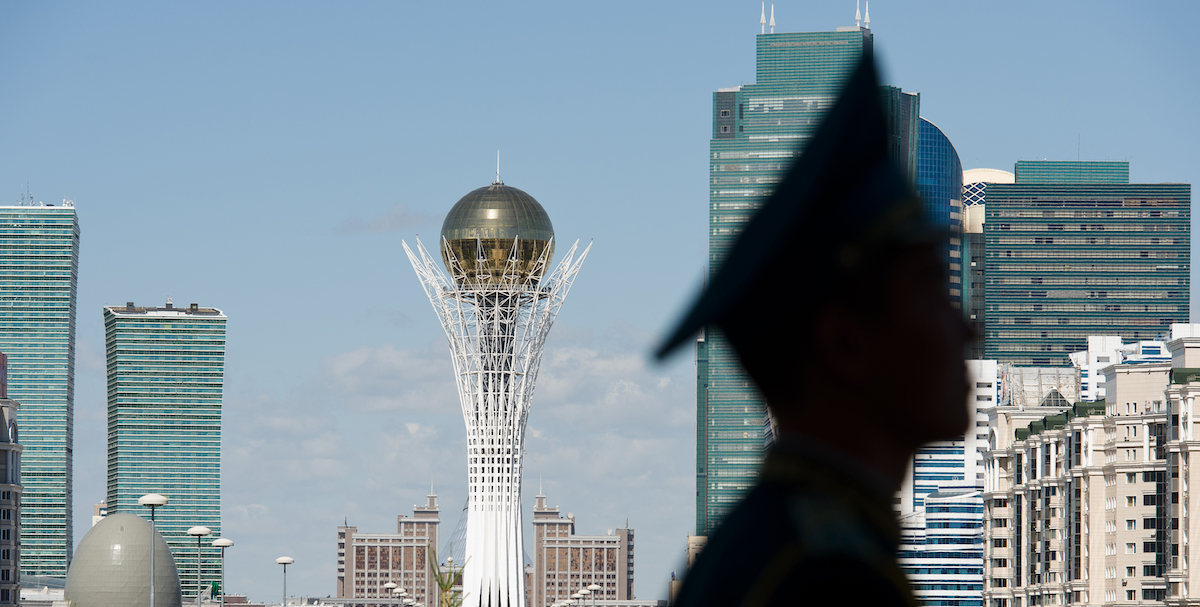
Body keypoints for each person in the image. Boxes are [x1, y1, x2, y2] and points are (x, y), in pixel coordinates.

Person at [655, 52, 972, 606]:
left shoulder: (771, 544)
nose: (968, 331)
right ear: (847, 344)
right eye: (932, 292)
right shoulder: (829, 580)